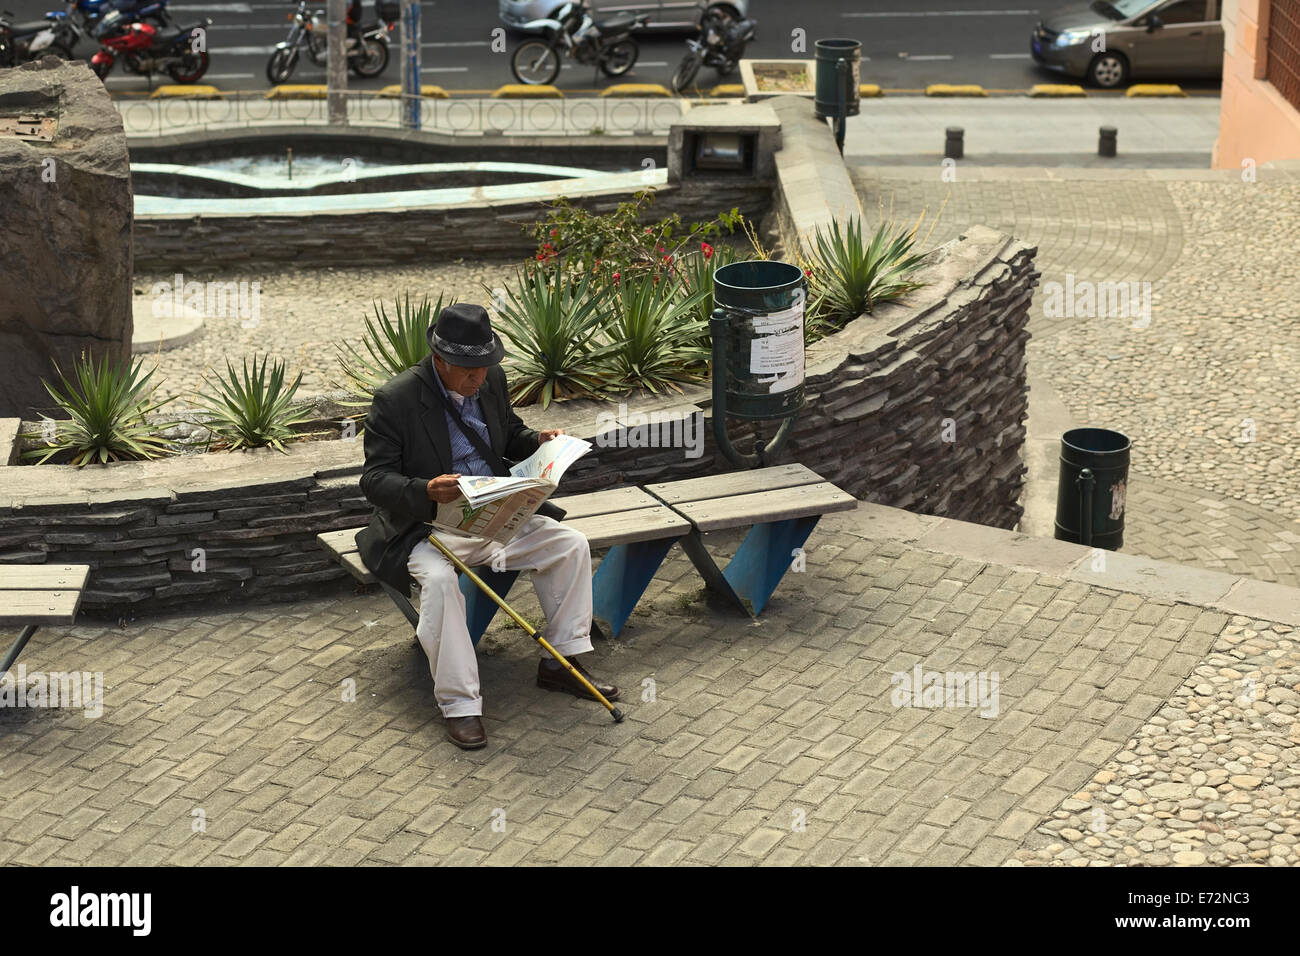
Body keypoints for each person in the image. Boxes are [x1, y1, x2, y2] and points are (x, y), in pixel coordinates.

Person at [357, 303, 619, 750]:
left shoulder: (490, 380)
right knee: (439, 585)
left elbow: (507, 434)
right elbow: (375, 480)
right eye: (468, 369)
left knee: (570, 545)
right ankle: (460, 705)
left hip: (494, 516)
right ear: (440, 359)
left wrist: (537, 442)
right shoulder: (396, 400)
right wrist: (425, 489)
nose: (478, 378)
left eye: (484, 366)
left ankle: (561, 662)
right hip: (428, 527)